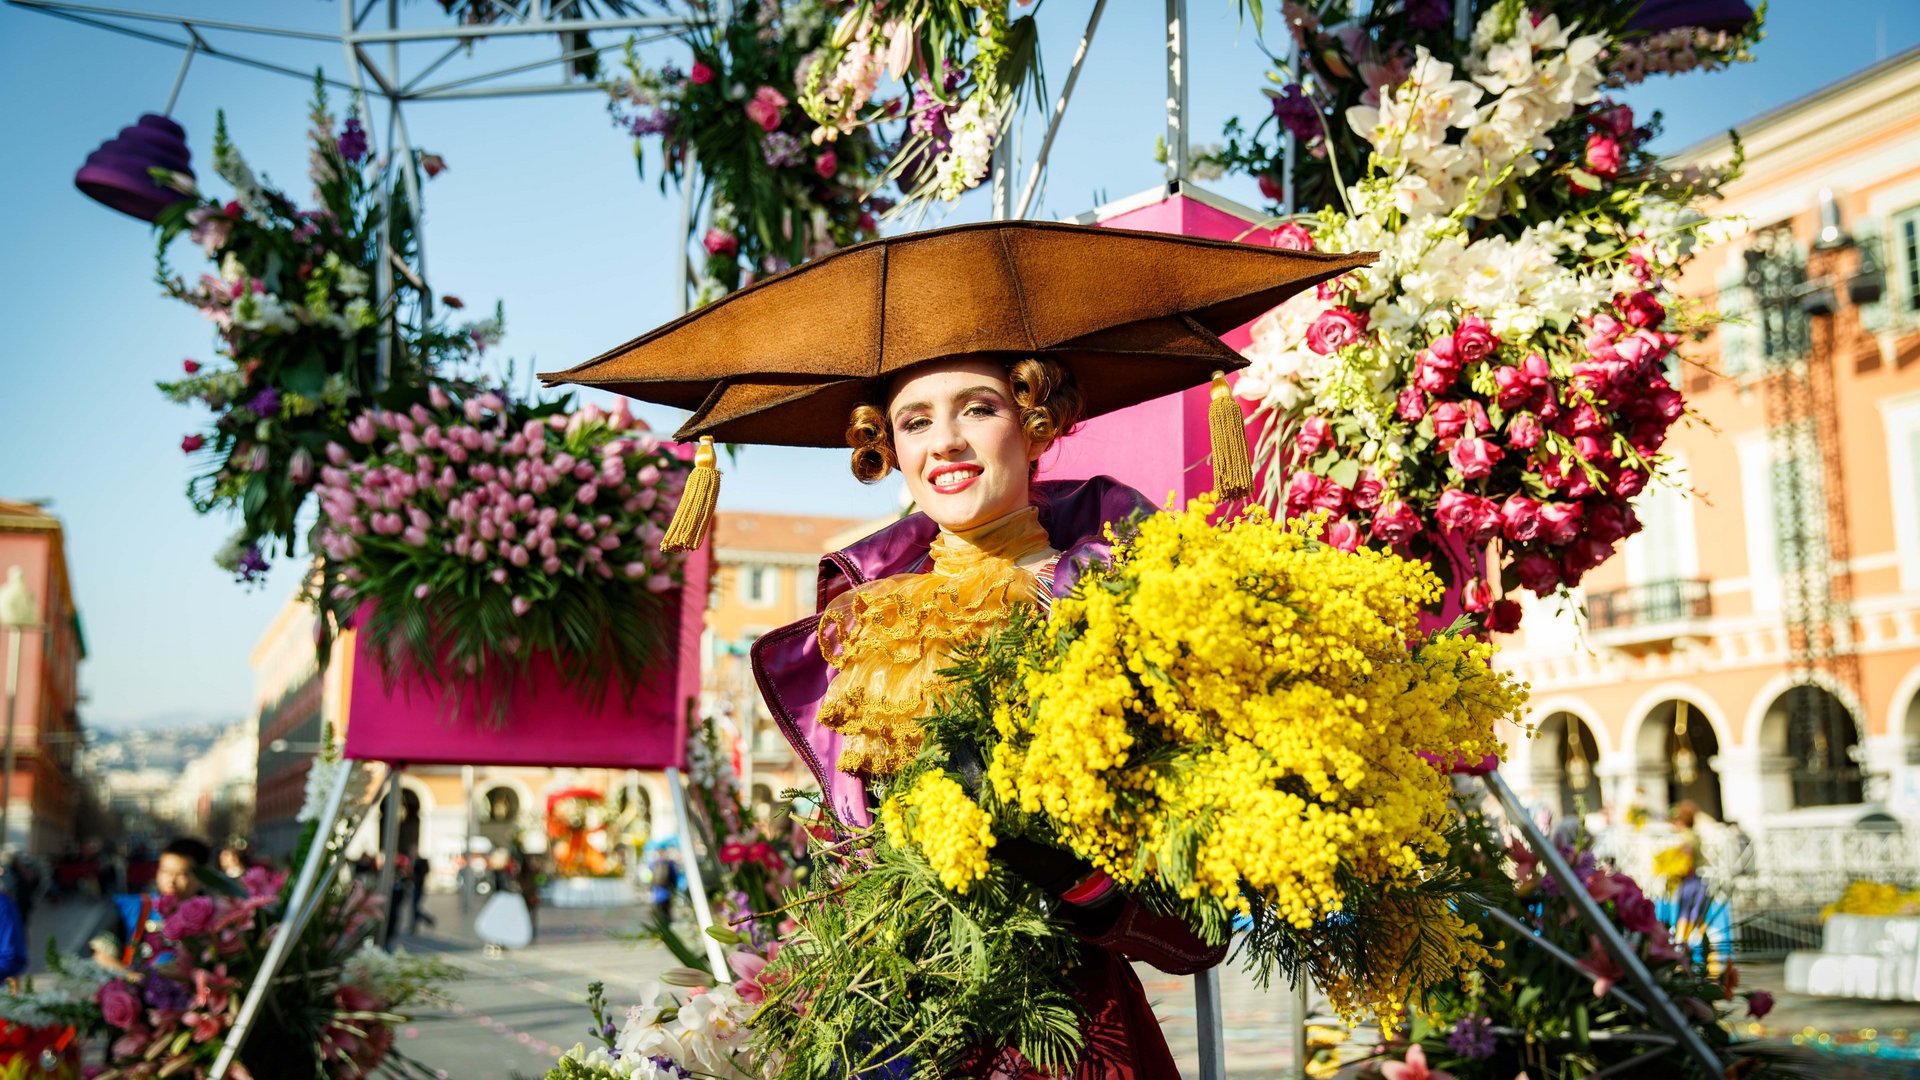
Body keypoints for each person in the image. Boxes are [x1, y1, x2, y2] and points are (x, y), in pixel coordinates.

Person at [548, 219, 1365, 1077]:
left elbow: (1198, 925)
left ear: (1038, 419)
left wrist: (1074, 875)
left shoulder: (1124, 593)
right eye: (913, 421)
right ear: (886, 447)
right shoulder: (863, 625)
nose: (944, 442)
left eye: (978, 408)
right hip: (887, 1030)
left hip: (1068, 1038)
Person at [92, 836, 210, 970]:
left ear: (203, 876)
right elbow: (101, 955)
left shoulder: (218, 917)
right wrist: (137, 980)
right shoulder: (136, 907)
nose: (171, 881)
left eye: (181, 874)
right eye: (165, 871)